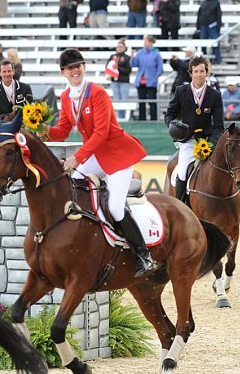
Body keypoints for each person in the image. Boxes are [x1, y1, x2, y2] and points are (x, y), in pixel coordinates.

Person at [40, 48, 156, 277]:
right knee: (72, 183)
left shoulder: (98, 92)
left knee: (114, 206)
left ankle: (144, 255)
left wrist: (76, 158)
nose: (75, 70)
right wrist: (41, 130)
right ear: (63, 72)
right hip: (97, 156)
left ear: (83, 68)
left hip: (117, 155)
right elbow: (62, 130)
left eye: (78, 66)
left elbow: (101, 133)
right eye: (71, 68)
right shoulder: (65, 97)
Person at [165, 55, 240, 213]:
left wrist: (211, 143)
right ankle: (181, 207)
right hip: (189, 141)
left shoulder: (214, 95)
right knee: (182, 171)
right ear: (191, 73)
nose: (199, 74)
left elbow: (218, 125)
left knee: (232, 164)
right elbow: (170, 114)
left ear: (207, 72)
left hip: (210, 140)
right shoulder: (181, 91)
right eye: (196, 71)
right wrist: (173, 126)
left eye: (202, 71)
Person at [131, 35, 163, 121]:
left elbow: (160, 69)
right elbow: (134, 64)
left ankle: (154, 119)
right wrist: (132, 57)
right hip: (140, 81)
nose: (145, 43)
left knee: (152, 101)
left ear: (151, 42)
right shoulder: (140, 53)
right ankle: (142, 119)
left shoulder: (156, 54)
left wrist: (155, 78)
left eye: (147, 41)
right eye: (144, 41)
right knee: (141, 101)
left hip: (151, 82)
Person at [106, 38, 132, 118]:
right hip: (114, 81)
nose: (119, 48)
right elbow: (107, 67)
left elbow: (128, 70)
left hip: (124, 82)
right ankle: (120, 118)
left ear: (124, 48)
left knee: (124, 100)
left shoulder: (127, 58)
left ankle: (128, 117)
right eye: (118, 47)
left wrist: (118, 68)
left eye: (121, 47)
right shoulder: (112, 56)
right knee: (117, 100)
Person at [196, 0, 222, 64]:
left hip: (212, 25)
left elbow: (218, 15)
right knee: (203, 43)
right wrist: (198, 25)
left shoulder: (216, 2)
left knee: (215, 43)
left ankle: (217, 59)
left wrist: (218, 25)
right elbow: (199, 15)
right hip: (203, 25)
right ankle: (202, 59)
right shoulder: (203, 3)